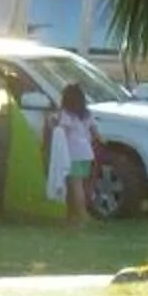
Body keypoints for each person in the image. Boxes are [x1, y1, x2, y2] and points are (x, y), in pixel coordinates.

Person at [44, 81, 99, 228]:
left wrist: (51, 122)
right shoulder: (87, 115)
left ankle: (82, 216)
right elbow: (96, 133)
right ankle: (73, 216)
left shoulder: (66, 115)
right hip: (87, 154)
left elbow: (61, 132)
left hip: (73, 155)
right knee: (79, 185)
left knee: (75, 186)